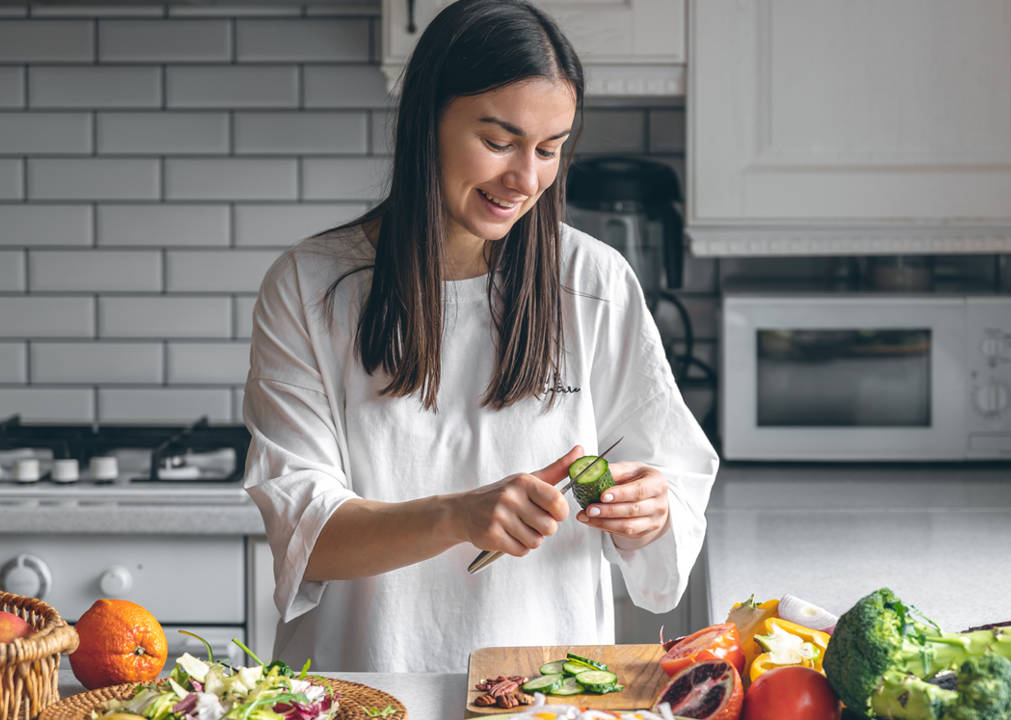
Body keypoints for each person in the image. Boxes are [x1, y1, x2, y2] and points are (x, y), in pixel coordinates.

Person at [242, 0, 718, 673]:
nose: (526, 179)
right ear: (427, 121)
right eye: (499, 141)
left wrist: (652, 507)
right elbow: (306, 536)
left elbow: (673, 481)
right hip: (366, 687)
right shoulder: (310, 286)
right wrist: (456, 516)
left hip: (548, 695)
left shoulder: (593, 283)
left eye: (550, 149)